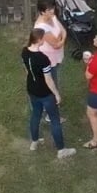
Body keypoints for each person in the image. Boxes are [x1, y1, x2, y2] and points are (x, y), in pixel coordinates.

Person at [22, 27, 76, 158]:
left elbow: (27, 70)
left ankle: (34, 142)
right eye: (43, 39)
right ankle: (61, 150)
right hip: (45, 93)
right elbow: (48, 79)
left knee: (35, 115)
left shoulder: (24, 52)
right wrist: (56, 94)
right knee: (54, 120)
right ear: (39, 40)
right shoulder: (43, 58)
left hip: (32, 89)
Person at [33, 0, 67, 80]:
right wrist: (61, 38)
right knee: (52, 80)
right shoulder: (41, 27)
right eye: (49, 10)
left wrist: (60, 39)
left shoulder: (52, 17)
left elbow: (64, 31)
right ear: (42, 12)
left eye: (52, 8)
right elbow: (56, 45)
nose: (52, 11)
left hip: (56, 54)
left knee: (56, 75)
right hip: (48, 58)